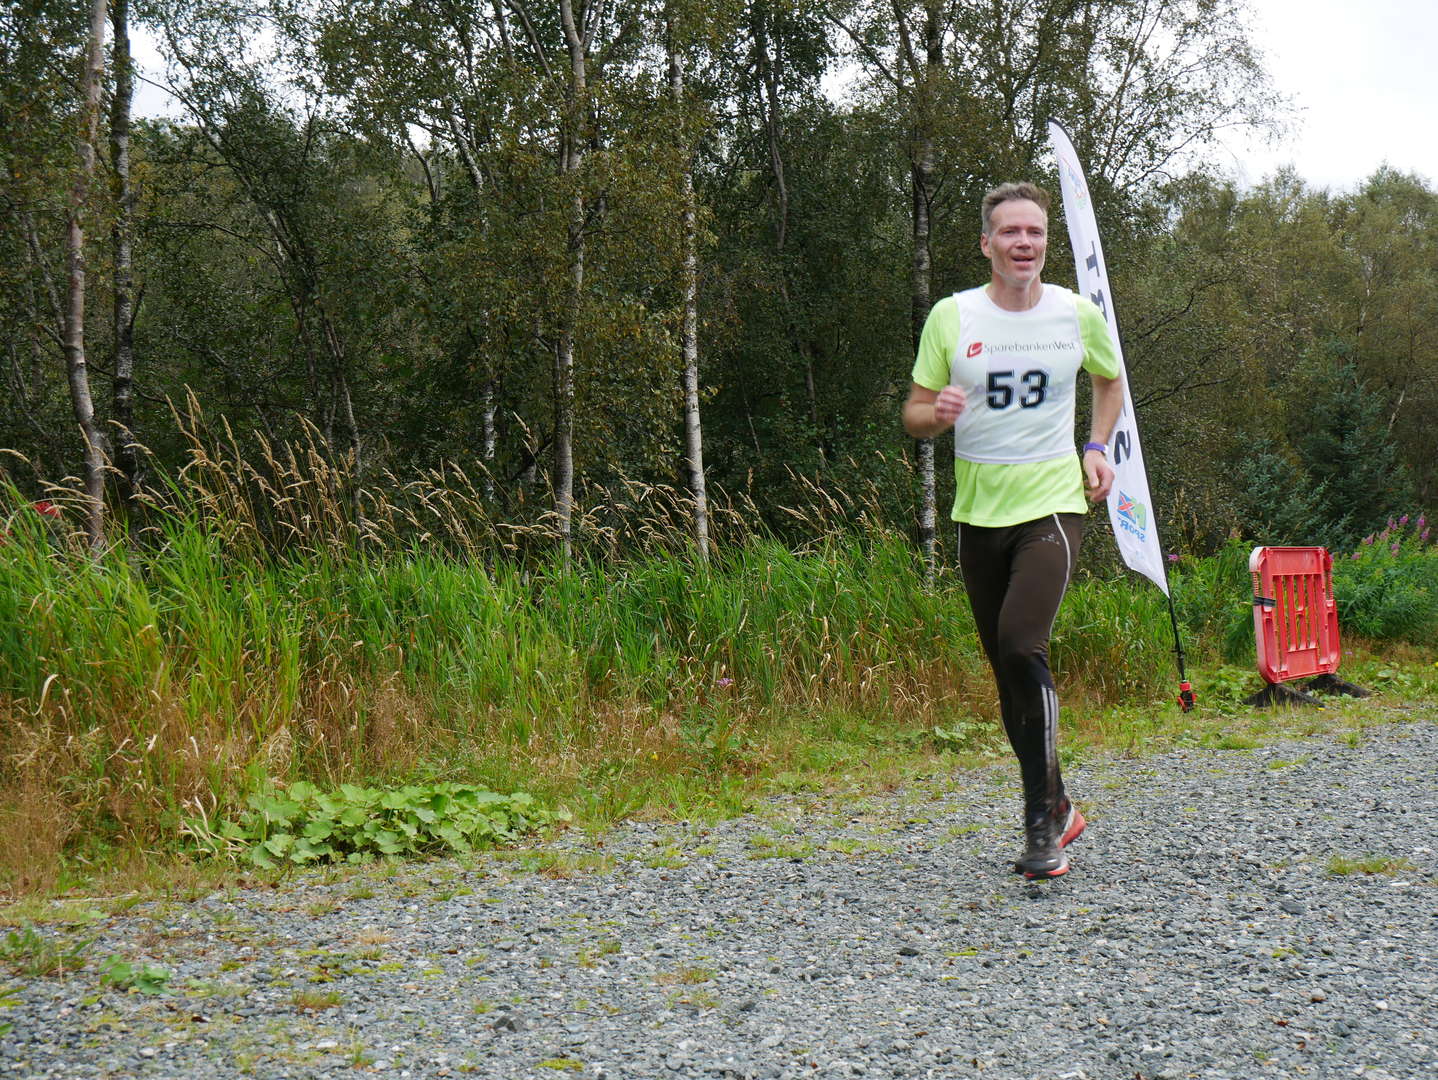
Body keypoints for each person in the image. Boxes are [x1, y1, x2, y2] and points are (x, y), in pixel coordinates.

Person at [902, 181, 1124, 880]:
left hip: (1053, 505)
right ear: (987, 244)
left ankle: (1040, 827)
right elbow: (913, 412)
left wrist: (1096, 446)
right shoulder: (952, 316)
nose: (1023, 243)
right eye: (1010, 232)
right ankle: (1059, 803)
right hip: (978, 513)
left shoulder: (1075, 313)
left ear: (1045, 244)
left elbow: (1110, 380)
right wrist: (936, 414)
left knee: (1022, 645)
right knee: (1005, 669)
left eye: (1034, 232)